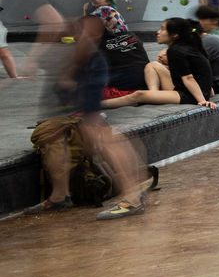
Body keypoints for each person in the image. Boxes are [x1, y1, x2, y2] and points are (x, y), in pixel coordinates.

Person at [29, 18, 151, 219]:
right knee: (60, 134)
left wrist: (68, 72)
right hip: (82, 78)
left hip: (87, 74)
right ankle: (60, 195)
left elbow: (90, 34)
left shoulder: (87, 33)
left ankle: (132, 196)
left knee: (99, 134)